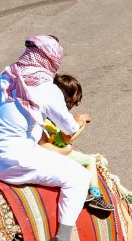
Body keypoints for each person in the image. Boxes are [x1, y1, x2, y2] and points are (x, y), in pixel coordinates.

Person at [0, 35, 91, 241]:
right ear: (51, 61)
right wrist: (80, 122)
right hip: (14, 159)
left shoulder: (6, 75)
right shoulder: (48, 90)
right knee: (79, 176)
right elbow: (69, 129)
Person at [39, 74, 113, 213]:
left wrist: (80, 124)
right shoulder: (53, 119)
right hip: (55, 154)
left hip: (51, 150)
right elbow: (67, 138)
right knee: (90, 160)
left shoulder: (45, 113)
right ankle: (96, 196)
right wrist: (80, 123)